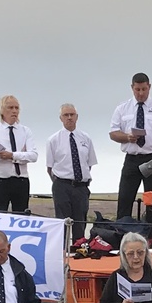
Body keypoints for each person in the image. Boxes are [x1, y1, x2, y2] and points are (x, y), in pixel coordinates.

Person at [109, 72, 152, 219]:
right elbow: (113, 133)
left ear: (149, 87)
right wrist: (127, 137)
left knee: (151, 200)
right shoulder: (122, 109)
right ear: (132, 88)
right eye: (137, 90)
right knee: (125, 197)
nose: (141, 93)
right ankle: (122, 231)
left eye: (144, 89)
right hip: (132, 158)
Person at [45, 103, 97, 240]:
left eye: (72, 115)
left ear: (77, 117)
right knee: (62, 224)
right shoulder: (53, 140)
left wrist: (79, 179)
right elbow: (49, 168)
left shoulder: (86, 138)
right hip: (62, 185)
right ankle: (61, 253)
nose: (69, 118)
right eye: (66, 115)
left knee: (80, 223)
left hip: (81, 187)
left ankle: (78, 251)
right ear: (60, 118)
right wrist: (62, 182)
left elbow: (89, 164)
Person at [0, 95, 37, 214]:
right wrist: (22, 155)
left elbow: (33, 156)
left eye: (16, 108)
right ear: (2, 110)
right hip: (1, 180)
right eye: (10, 107)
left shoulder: (25, 131)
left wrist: (12, 155)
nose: (14, 111)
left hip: (21, 180)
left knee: (21, 216)